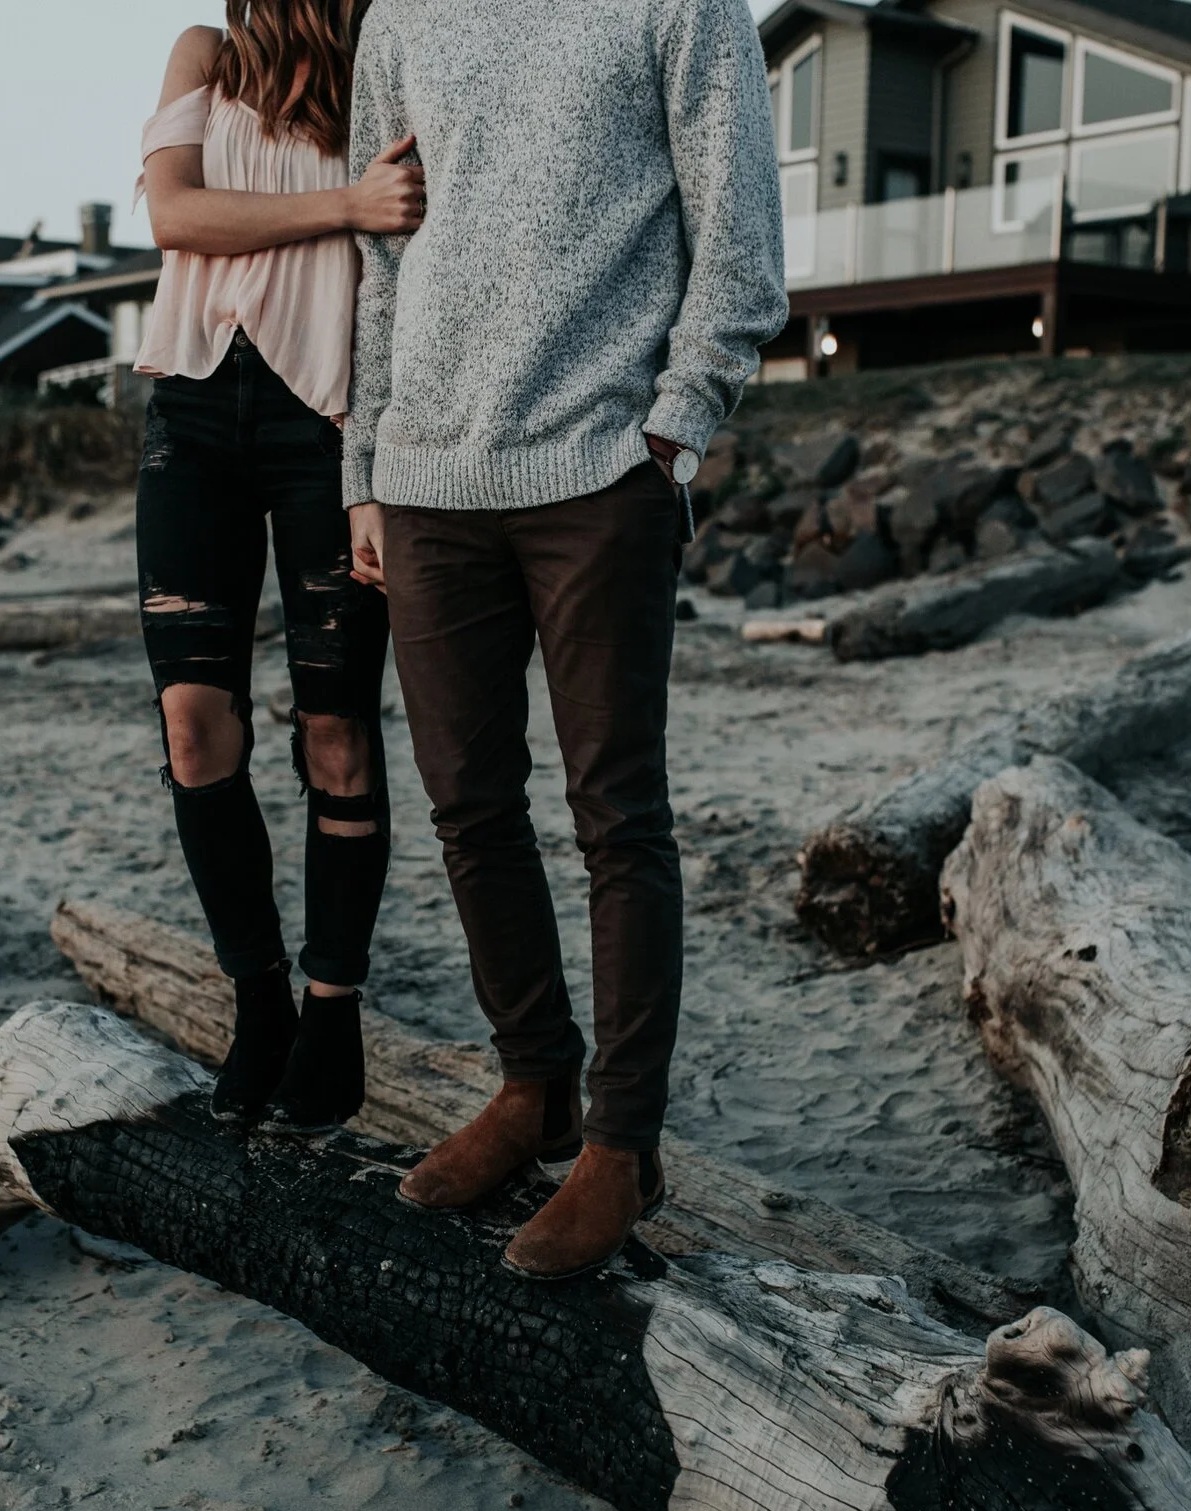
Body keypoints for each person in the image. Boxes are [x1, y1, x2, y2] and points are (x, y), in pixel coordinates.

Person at [344, 0, 787, 1278]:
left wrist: (676, 421)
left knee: (615, 810)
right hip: (426, 478)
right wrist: (362, 466)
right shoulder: (402, 17)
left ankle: (620, 1142)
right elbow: (383, 255)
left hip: (600, 465)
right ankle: (532, 1086)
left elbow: (741, 237)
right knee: (469, 807)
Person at [134, 1, 426, 1133]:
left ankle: (332, 1009)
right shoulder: (202, 53)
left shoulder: (384, 61)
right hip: (193, 416)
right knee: (193, 725)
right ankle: (258, 998)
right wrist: (344, 204)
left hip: (330, 426)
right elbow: (174, 212)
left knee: (336, 729)